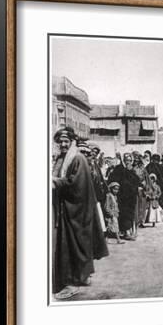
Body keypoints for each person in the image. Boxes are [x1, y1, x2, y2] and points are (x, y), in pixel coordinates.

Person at [52, 127, 109, 300]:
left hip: (78, 210)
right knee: (71, 244)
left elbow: (76, 185)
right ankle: (80, 277)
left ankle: (73, 282)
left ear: (72, 142)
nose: (62, 144)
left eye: (66, 141)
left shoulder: (78, 158)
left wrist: (55, 182)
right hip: (67, 209)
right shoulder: (63, 158)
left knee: (73, 244)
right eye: (60, 141)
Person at [107, 152, 140, 240]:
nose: (128, 162)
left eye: (129, 160)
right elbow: (113, 180)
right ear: (123, 160)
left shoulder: (132, 170)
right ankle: (126, 232)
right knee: (124, 214)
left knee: (130, 214)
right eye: (126, 160)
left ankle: (128, 231)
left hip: (131, 197)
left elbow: (137, 181)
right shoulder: (119, 169)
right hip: (122, 196)